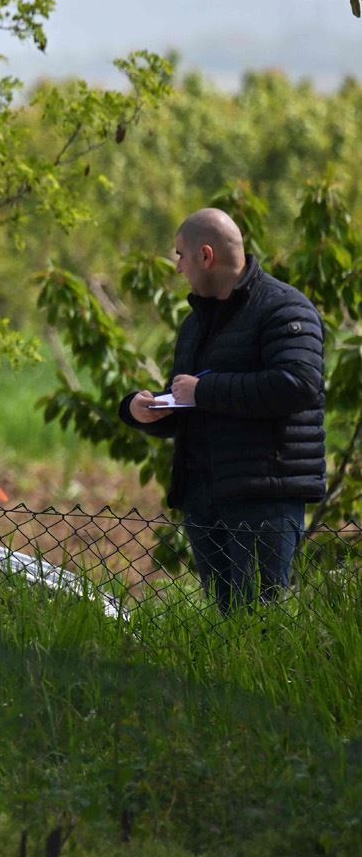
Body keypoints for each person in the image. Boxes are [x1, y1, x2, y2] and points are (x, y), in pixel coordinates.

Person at [120, 207, 325, 613]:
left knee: (259, 621)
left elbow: (298, 384)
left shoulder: (285, 308)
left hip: (262, 496)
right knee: (225, 619)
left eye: (180, 255)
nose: (177, 267)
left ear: (206, 255)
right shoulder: (196, 323)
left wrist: (205, 391)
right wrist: (141, 410)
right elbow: (191, 400)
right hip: (204, 495)